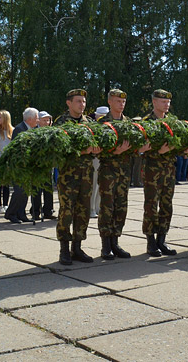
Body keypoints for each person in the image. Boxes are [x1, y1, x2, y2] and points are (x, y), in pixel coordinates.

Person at [53, 89, 102, 265]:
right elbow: (58, 149)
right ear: (69, 103)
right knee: (66, 211)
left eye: (83, 101)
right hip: (68, 175)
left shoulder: (89, 122)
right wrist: (82, 151)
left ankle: (78, 247)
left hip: (87, 174)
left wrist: (97, 149)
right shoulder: (61, 122)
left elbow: (97, 142)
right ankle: (64, 249)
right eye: (78, 101)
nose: (82, 105)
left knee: (83, 211)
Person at [97, 89, 135, 260]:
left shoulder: (129, 123)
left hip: (124, 172)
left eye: (123, 102)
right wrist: (116, 151)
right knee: (107, 207)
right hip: (108, 172)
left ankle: (115, 241)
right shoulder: (103, 123)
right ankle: (106, 245)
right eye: (117, 101)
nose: (121, 104)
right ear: (110, 102)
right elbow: (98, 149)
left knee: (121, 207)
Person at [140, 90, 177, 257]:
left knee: (167, 205)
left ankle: (162, 239)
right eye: (163, 101)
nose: (167, 104)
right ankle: (150, 241)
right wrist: (159, 152)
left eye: (168, 101)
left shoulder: (172, 122)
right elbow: (141, 148)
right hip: (152, 171)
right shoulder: (146, 122)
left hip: (169, 170)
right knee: (151, 206)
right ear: (154, 102)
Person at [4, 107, 39, 223]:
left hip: (28, 166)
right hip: (19, 166)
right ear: (30, 119)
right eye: (36, 118)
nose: (38, 120)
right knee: (19, 191)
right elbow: (18, 149)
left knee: (25, 191)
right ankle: (10, 213)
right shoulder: (19, 129)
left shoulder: (34, 129)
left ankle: (21, 213)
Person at [32, 111, 55, 220]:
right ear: (38, 121)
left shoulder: (52, 132)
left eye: (48, 120)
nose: (46, 122)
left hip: (48, 165)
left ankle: (48, 211)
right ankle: (35, 211)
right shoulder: (34, 132)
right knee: (36, 189)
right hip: (37, 165)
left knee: (48, 188)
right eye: (44, 120)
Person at [89, 106, 108, 219]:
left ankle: (97, 208)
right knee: (94, 185)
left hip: (105, 159)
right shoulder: (94, 128)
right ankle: (91, 209)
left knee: (101, 185)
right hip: (95, 158)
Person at [0, 110, 13, 214]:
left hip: (8, 161)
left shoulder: (12, 131)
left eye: (0, 117)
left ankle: (6, 204)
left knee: (6, 184)